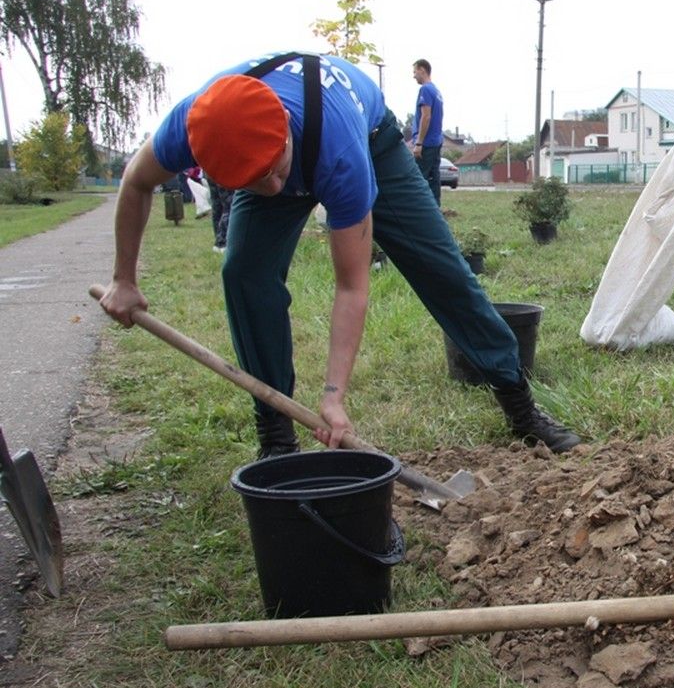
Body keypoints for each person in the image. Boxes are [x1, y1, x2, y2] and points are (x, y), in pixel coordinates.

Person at [99, 51, 581, 458]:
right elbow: (136, 182)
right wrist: (124, 278)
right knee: (243, 273)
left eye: (273, 170)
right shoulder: (193, 125)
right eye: (250, 181)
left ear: (284, 132)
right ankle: (276, 436)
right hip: (278, 142)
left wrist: (334, 396)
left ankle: (519, 404)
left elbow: (351, 285)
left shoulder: (340, 150)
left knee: (442, 270)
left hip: (371, 143)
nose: (272, 188)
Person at [410, 59, 444, 204]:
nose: (413, 76)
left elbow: (426, 116)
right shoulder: (436, 91)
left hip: (427, 143)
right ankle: (435, 208)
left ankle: (419, 212)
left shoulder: (425, 89)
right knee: (434, 178)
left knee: (418, 178)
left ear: (422, 70)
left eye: (414, 72)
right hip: (436, 141)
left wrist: (419, 143)